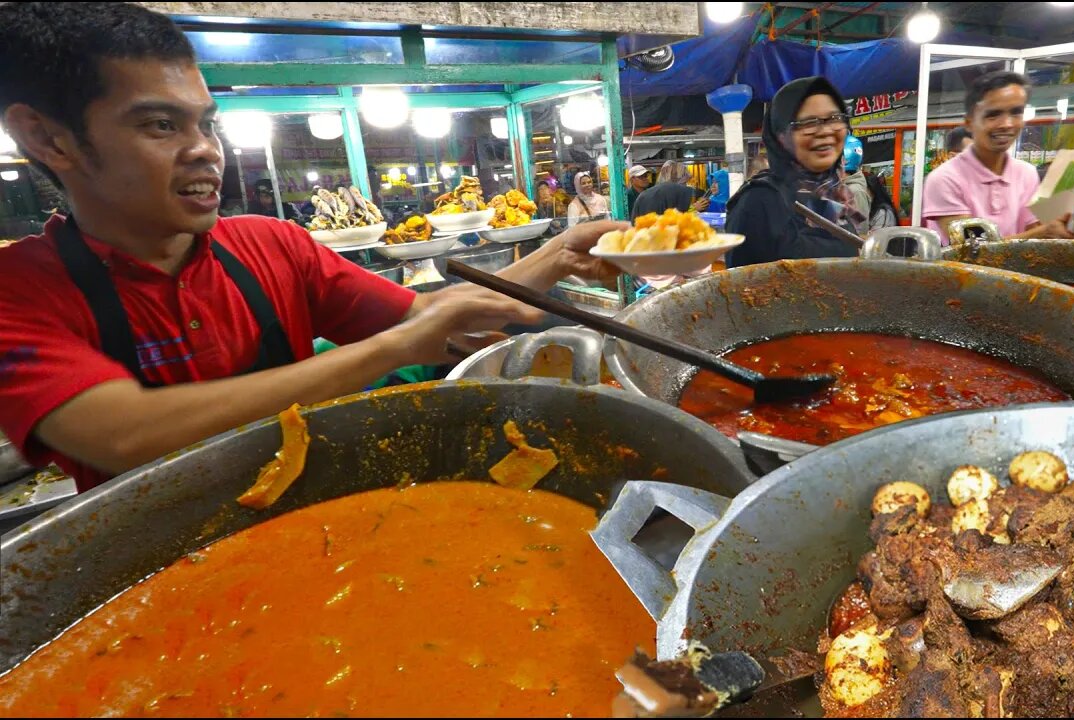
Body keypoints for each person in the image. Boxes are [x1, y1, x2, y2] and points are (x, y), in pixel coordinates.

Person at [0, 2, 626, 493]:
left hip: (316, 515)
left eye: (206, 124)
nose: (205, 151)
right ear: (50, 139)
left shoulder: (271, 244)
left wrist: (559, 253)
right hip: (156, 573)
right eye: (161, 125)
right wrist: (394, 348)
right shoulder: (18, 290)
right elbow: (121, 432)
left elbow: (429, 319)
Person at [725, 76, 862, 267]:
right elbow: (735, 288)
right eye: (808, 123)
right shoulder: (757, 202)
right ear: (781, 137)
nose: (825, 131)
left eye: (834, 118)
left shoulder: (838, 195)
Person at [923, 71, 1072, 242]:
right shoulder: (944, 179)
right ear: (969, 122)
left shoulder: (1027, 173)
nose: (1007, 124)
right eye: (993, 114)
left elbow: (1035, 233)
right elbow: (973, 249)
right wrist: (1044, 233)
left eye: (1016, 113)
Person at [630, 161, 708, 221]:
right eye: (683, 182)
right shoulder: (667, 194)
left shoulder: (647, 194)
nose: (684, 185)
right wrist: (693, 209)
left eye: (645, 176)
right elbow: (667, 220)